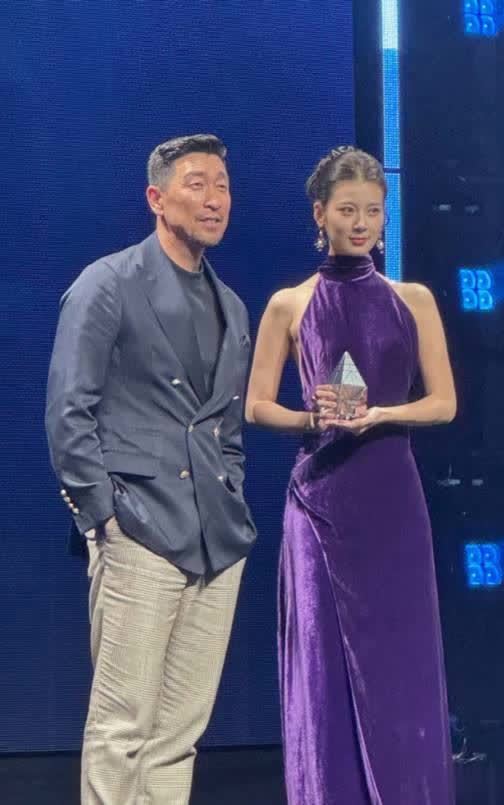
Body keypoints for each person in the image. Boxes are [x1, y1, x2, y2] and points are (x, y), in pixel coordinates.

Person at [45, 134, 256, 805]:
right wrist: (102, 517)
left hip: (215, 535)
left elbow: (226, 427)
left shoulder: (233, 307)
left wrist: (232, 492)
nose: (214, 199)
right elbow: (69, 408)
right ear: (156, 199)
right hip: (138, 526)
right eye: (196, 183)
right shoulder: (108, 283)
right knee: (122, 727)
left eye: (222, 185)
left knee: (177, 735)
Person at [246, 146, 456, 804]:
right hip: (319, 500)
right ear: (320, 214)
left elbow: (444, 402)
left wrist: (383, 414)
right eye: (347, 211)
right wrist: (311, 418)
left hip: (392, 497)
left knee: (401, 662)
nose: (361, 223)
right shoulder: (288, 303)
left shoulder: (412, 299)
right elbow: (256, 405)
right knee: (320, 663)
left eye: (372, 211)